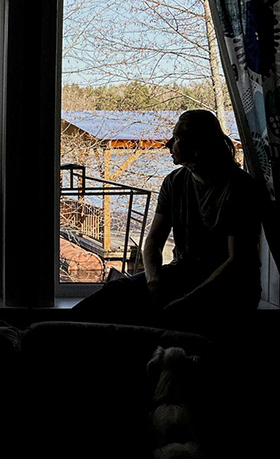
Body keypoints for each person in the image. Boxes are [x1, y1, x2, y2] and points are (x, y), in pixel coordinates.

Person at [70, 109, 264, 331]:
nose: (168, 143)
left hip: (230, 289)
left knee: (166, 323)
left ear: (199, 144)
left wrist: (184, 303)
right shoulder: (174, 182)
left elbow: (237, 263)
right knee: (115, 293)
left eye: (177, 138)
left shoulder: (239, 188)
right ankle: (51, 335)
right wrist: (154, 282)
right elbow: (153, 241)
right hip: (182, 275)